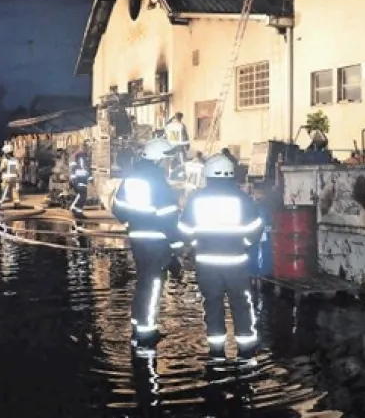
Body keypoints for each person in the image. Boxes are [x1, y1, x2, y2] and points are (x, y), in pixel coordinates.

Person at [178, 153, 263, 360]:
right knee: (242, 304)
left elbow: (184, 229)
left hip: (207, 263)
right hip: (236, 263)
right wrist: (241, 245)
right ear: (231, 175)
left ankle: (216, 352)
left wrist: (198, 244)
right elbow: (256, 228)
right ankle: (246, 352)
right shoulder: (242, 198)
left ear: (208, 174)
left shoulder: (197, 198)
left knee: (212, 304)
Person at [111, 137, 183, 348]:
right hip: (157, 242)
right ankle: (146, 333)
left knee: (143, 282)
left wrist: (135, 223)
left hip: (137, 239)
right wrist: (177, 249)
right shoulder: (158, 182)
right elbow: (169, 219)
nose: (169, 164)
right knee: (152, 285)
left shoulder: (132, 178)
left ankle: (137, 326)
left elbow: (118, 210)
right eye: (167, 159)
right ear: (159, 159)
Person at [0, 142, 21, 209]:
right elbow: (17, 169)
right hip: (14, 177)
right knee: (15, 191)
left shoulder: (5, 160)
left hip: (6, 178)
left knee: (4, 191)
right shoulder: (15, 160)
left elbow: (2, 168)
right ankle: (17, 204)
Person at [69, 140, 92, 220]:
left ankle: (76, 209)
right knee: (82, 195)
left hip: (82, 178)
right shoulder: (78, 155)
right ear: (83, 146)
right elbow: (73, 168)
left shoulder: (84, 155)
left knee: (82, 195)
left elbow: (88, 168)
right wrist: (73, 179)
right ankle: (76, 209)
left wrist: (90, 178)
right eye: (87, 147)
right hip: (79, 179)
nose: (88, 148)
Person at [163, 112, 190, 177]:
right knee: (183, 161)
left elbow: (165, 134)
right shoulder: (181, 125)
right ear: (181, 117)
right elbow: (184, 135)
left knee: (170, 161)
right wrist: (187, 144)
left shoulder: (169, 125)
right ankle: (184, 175)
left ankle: (168, 175)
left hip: (171, 145)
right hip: (179, 145)